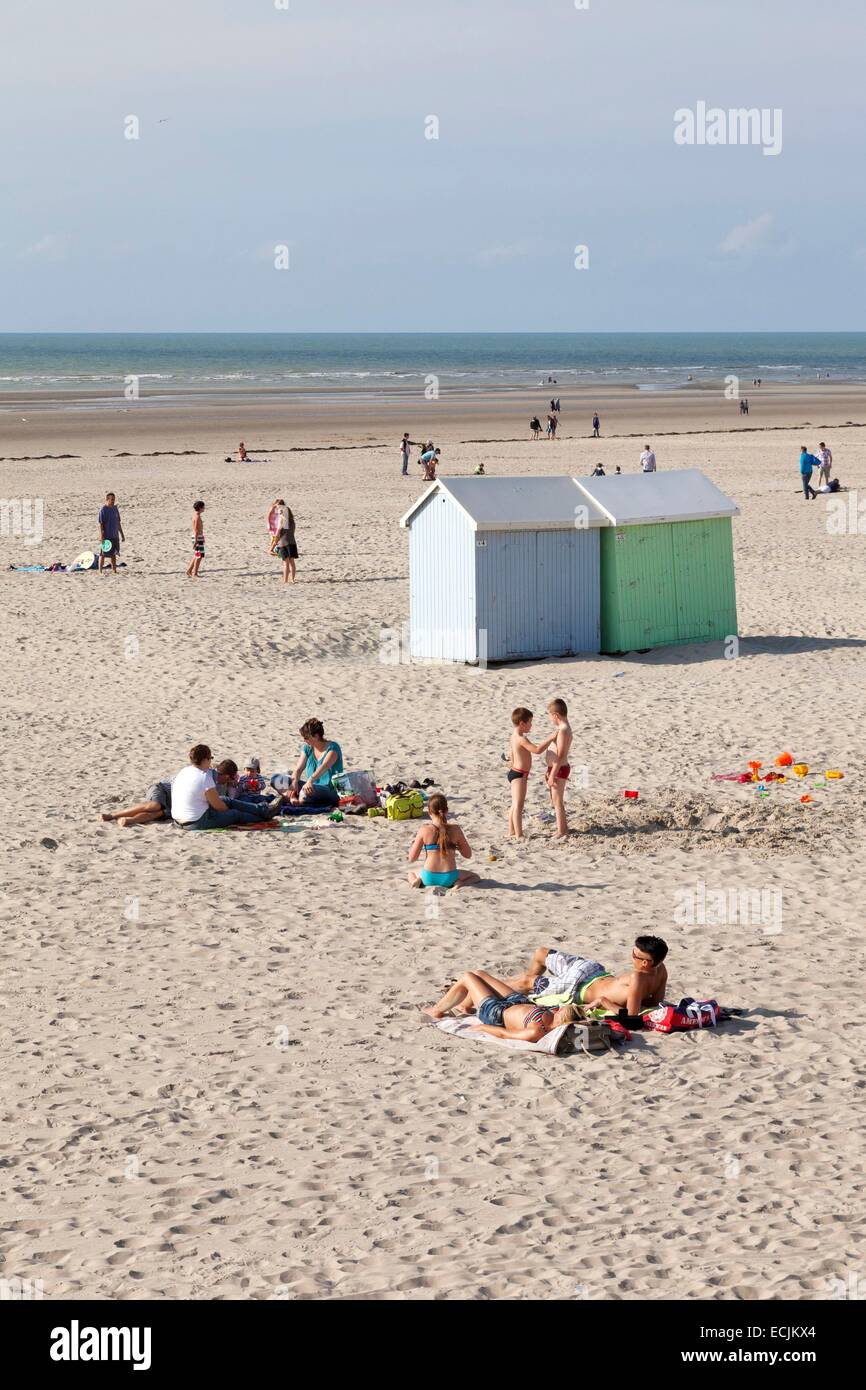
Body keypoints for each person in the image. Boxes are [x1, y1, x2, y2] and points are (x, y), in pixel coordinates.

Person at [447, 937, 669, 1015]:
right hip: (592, 971)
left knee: (529, 981)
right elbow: (654, 1003)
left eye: (635, 955)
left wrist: (603, 1001)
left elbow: (631, 1019)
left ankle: (473, 993)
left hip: (576, 986)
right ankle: (484, 988)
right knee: (541, 955)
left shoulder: (639, 977)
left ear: (645, 962)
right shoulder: (661, 970)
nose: (631, 957)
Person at [422, 971, 577, 1039]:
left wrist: (482, 1027)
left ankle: (436, 1010)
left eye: (560, 1010)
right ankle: (465, 1007)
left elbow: (504, 1034)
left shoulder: (536, 1030)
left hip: (496, 1013)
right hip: (519, 1001)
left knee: (468, 977)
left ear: (560, 1018)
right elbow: (582, 1016)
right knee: (480, 974)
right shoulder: (559, 1015)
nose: (558, 1008)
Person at [171, 744, 277, 829]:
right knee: (235, 813)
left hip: (178, 820)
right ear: (204, 760)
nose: (211, 761)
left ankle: (262, 810)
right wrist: (228, 809)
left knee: (226, 799)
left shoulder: (183, 771)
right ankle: (263, 816)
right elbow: (219, 806)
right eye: (210, 758)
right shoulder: (204, 776)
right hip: (196, 821)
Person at [408, 792, 480, 890]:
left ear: (429, 812)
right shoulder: (456, 829)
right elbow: (468, 855)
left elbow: (412, 858)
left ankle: (417, 880)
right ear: (446, 811)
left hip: (428, 877)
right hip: (449, 877)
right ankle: (459, 883)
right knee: (475, 877)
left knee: (411, 873)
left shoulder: (424, 830)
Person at [507, 706, 554, 840]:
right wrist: (551, 738)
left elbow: (512, 752)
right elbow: (537, 750)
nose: (531, 725)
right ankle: (519, 834)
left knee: (514, 804)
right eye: (530, 722)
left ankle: (511, 831)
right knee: (518, 805)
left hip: (515, 772)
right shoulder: (522, 738)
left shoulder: (514, 736)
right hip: (519, 774)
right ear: (522, 723)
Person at [285, 718, 344, 807]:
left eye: (306, 737)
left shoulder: (333, 748)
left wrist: (310, 780)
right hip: (310, 786)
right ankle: (293, 796)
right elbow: (298, 769)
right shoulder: (308, 748)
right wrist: (294, 781)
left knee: (305, 792)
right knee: (277, 779)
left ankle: (297, 799)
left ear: (316, 736)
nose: (304, 740)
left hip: (330, 790)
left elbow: (324, 766)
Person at [544, 697, 573, 838]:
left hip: (559, 769)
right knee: (556, 800)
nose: (551, 720)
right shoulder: (565, 728)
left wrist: (552, 774)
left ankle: (562, 830)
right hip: (558, 768)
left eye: (550, 716)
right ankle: (562, 827)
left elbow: (560, 755)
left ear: (556, 715)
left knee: (557, 801)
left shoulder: (562, 730)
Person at [101, 780, 171, 827]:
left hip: (171, 804)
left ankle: (130, 820)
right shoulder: (180, 777)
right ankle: (113, 815)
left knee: (159, 813)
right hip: (161, 789)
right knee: (155, 806)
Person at [98, 492, 125, 574]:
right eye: (111, 499)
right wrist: (101, 536)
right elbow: (100, 524)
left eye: (114, 499)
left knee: (113, 554)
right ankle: (100, 571)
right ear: (107, 499)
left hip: (115, 535)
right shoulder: (103, 510)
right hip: (106, 536)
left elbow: (118, 523)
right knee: (103, 554)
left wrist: (122, 534)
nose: (113, 501)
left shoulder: (115, 508)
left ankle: (114, 570)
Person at [274, 501, 298, 583]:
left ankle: (285, 580)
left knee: (285, 563)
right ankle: (293, 579)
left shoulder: (282, 521)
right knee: (292, 562)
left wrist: (272, 545)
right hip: (292, 542)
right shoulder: (293, 522)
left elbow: (277, 534)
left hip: (283, 543)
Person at [186, 500, 205, 577]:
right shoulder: (197, 517)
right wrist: (196, 541)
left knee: (197, 555)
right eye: (203, 507)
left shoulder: (196, 515)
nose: (204, 508)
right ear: (200, 508)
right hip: (198, 537)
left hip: (198, 537)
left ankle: (189, 570)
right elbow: (197, 531)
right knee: (199, 556)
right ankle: (195, 573)